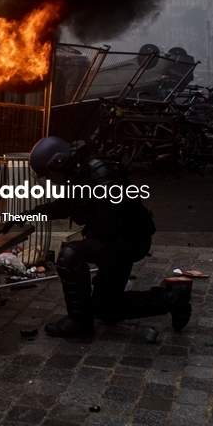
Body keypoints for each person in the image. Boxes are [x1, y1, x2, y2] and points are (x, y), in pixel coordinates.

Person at [29, 136, 191, 337]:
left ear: (58, 162)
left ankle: (79, 322)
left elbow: (109, 221)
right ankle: (171, 298)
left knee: (71, 254)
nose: (53, 180)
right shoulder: (81, 171)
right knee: (106, 310)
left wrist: (87, 247)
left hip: (128, 241)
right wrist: (29, 214)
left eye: (50, 174)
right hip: (120, 239)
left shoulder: (99, 172)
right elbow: (66, 205)